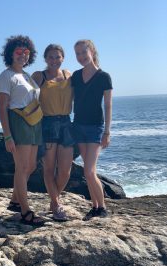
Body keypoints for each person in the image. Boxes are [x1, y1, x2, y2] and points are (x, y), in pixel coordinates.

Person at [0, 35, 44, 226]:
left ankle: (15, 201)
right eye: (18, 51)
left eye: (26, 52)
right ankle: (25, 212)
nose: (23, 55)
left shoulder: (26, 76)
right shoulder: (6, 76)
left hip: (33, 123)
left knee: (30, 166)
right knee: (22, 168)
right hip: (18, 122)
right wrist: (7, 135)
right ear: (10, 53)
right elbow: (2, 108)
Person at [71, 39, 113, 220]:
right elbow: (68, 99)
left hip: (96, 128)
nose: (81, 57)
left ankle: (102, 208)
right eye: (78, 54)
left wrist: (107, 132)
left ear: (92, 52)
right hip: (79, 126)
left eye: (83, 52)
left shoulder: (104, 77)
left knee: (89, 170)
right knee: (89, 172)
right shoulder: (75, 75)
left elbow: (108, 106)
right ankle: (95, 207)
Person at [32, 44, 74, 221]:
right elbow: (24, 96)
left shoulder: (68, 75)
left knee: (65, 171)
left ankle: (53, 200)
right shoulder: (38, 76)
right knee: (49, 168)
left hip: (66, 123)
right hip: (47, 124)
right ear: (45, 59)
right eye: (50, 57)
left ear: (63, 58)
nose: (54, 60)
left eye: (57, 57)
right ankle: (56, 205)